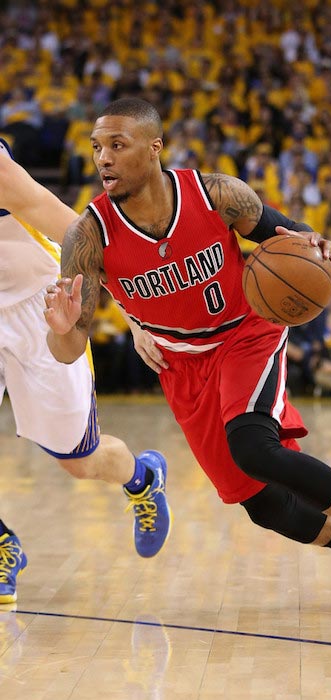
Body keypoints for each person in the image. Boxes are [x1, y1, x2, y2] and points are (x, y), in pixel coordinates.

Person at [44, 98, 331, 616]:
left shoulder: (216, 194)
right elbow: (67, 350)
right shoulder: (87, 236)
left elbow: (293, 237)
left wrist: (317, 250)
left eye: (117, 145)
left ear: (154, 149)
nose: (103, 158)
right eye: (97, 147)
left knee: (254, 448)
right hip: (182, 363)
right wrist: (61, 332)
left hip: (246, 334)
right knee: (261, 505)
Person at [0, 137, 171, 605]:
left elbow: (75, 233)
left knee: (79, 461)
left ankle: (142, 478)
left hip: (41, 306)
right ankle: (3, 543)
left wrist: (134, 314)